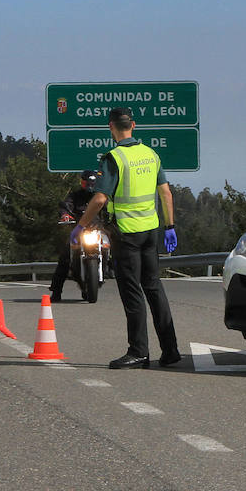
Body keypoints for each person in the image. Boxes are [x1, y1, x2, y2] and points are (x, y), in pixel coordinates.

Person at [74, 107, 181, 369]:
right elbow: (166, 194)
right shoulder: (151, 154)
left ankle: (138, 352)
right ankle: (170, 350)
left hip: (127, 234)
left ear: (111, 128)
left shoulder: (114, 158)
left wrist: (80, 226)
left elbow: (99, 199)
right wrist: (170, 226)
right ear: (133, 125)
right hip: (151, 231)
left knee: (132, 292)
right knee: (154, 288)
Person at [48, 170, 100, 302]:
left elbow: (110, 208)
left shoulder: (101, 197)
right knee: (65, 256)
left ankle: (114, 270)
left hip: (98, 230)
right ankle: (56, 290)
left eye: (91, 183)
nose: (88, 186)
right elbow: (66, 205)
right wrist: (65, 215)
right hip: (79, 231)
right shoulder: (75, 196)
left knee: (118, 248)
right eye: (85, 183)